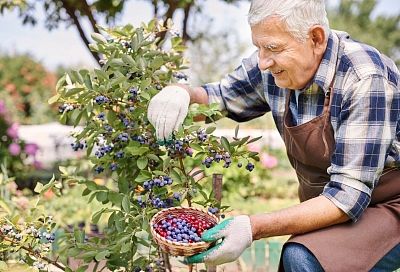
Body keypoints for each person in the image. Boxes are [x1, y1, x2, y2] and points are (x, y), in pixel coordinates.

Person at [147, 0, 400, 271]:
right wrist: (181, 94)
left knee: (303, 258)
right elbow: (218, 98)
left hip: (389, 204)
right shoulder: (274, 67)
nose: (264, 62)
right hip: (337, 202)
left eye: (273, 48)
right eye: (258, 47)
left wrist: (252, 227)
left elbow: (347, 197)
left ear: (316, 38)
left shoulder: (364, 78)